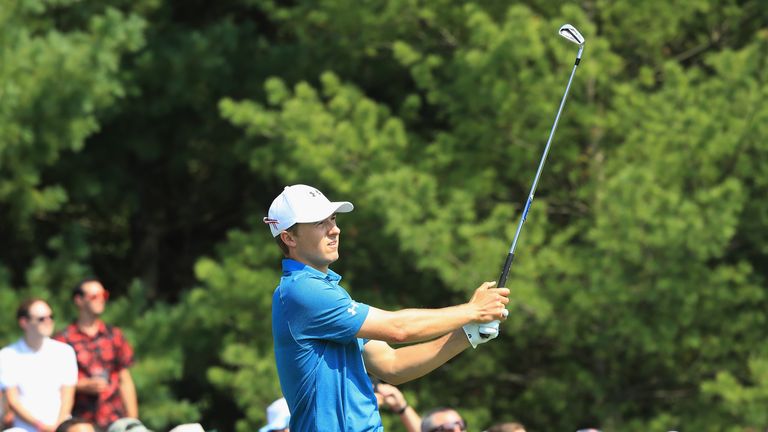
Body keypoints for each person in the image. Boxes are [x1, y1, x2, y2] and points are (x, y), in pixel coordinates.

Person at [265, 184, 510, 431]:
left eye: (333, 219)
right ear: (288, 237)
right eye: (320, 223)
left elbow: (392, 364)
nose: (335, 229)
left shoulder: (329, 292)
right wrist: (472, 310)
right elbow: (398, 329)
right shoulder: (302, 290)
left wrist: (468, 333)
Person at [54, 279, 138, 430]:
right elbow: (52, 383)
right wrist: (80, 386)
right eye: (94, 296)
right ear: (79, 300)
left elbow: (125, 380)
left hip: (114, 419)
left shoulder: (114, 335)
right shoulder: (62, 340)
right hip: (79, 423)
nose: (101, 300)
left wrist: (132, 422)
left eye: (103, 295)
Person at [0, 298, 78, 432]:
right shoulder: (7, 355)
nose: (49, 322)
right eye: (42, 318)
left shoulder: (64, 352)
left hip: (61, 427)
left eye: (51, 317)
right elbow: (13, 400)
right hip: (24, 429)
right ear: (24, 322)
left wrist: (58, 427)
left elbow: (68, 395)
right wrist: (41, 427)